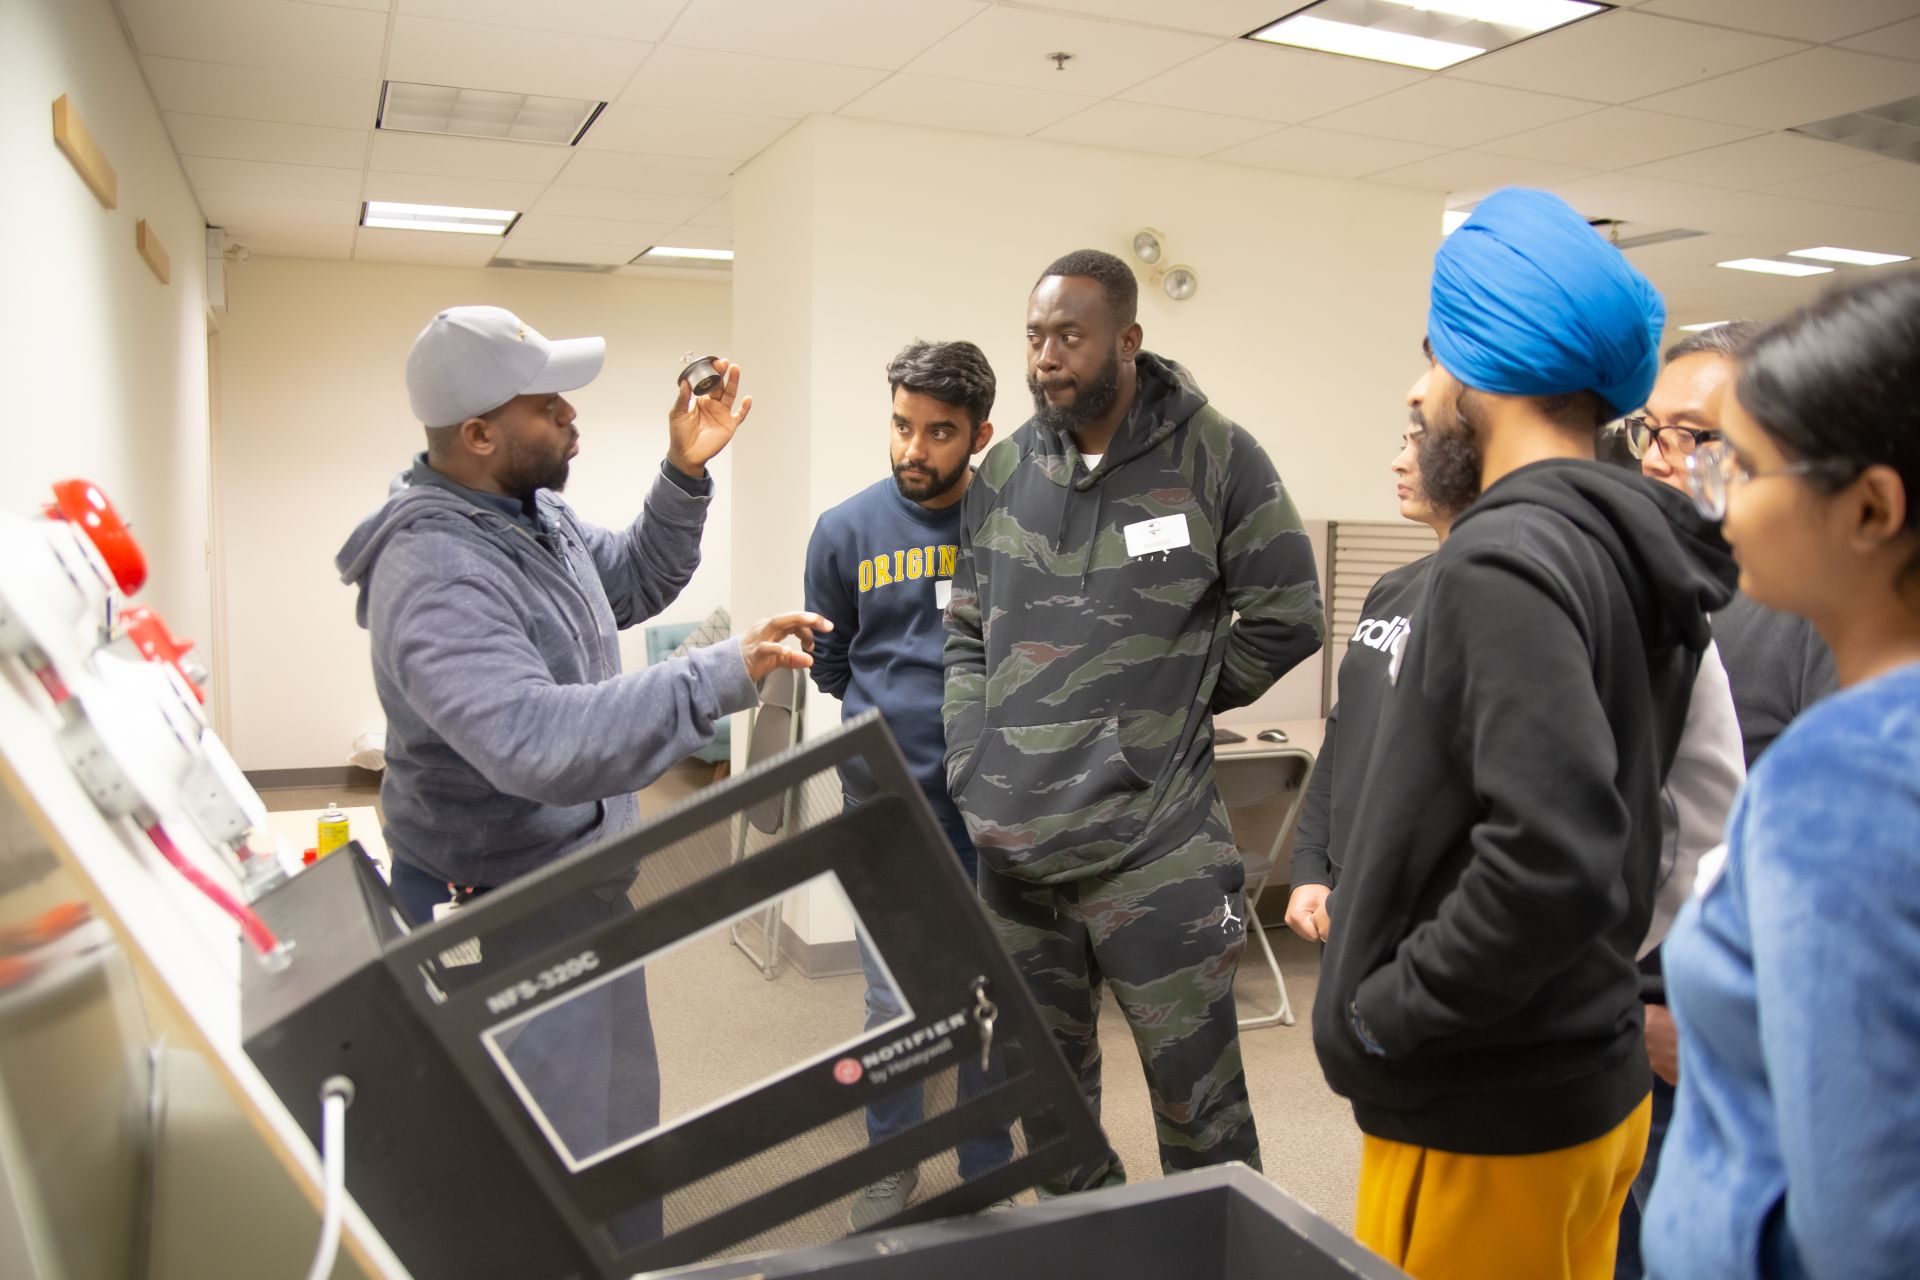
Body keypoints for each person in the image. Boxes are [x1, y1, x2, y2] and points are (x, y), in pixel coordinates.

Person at [1311, 188, 1737, 1280]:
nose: (1420, 390)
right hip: (1584, 1079)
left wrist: (1384, 1013)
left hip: (1484, 1103)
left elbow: (1553, 852)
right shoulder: (1623, 544)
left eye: (1436, 357)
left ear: (1489, 369)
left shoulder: (1501, 563)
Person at [336, 306, 825, 1236]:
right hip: (500, 904)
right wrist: (722, 671)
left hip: (581, 885)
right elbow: (536, 742)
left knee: (611, 1140)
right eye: (545, 403)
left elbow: (634, 581)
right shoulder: (434, 569)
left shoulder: (530, 514)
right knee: (537, 1174)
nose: (570, 414)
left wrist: (685, 471)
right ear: (479, 434)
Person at [944, 248, 1324, 1194]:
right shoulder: (1001, 471)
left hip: (1154, 848)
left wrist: (1174, 703)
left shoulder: (1218, 455)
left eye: (1069, 336)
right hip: (1016, 849)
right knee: (1050, 1110)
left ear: (1127, 340)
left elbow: (1290, 616)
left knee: (1201, 1112)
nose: (1045, 358)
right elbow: (966, 633)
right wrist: (971, 757)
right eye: (1035, 336)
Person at [1645, 270, 1920, 1279]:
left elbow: (1869, 1210)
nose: (1718, 499)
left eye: (1745, 468)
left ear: (1869, 507)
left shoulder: (1848, 773)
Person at [1613, 323, 1838, 1280]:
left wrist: (1696, 1018)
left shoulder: (1808, 614)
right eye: (1651, 432)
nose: (1664, 463)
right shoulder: (1632, 590)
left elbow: (1830, 870)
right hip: (1609, 1017)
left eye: (1695, 438)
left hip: (1720, 1044)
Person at [803, 339, 1012, 1226]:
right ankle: (892, 1158)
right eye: (901, 426)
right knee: (894, 991)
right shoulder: (844, 531)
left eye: (938, 432)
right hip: (886, 798)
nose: (913, 450)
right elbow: (832, 659)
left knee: (993, 985)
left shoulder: (1012, 532)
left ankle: (983, 1158)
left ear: (980, 435)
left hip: (995, 804)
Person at [1285, 415, 1462, 944]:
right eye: (1401, 442)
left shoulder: (1489, 600)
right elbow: (1345, 730)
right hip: (1344, 890)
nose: (1399, 460)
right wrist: (1311, 865)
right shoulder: (1393, 587)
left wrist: (1362, 892)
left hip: (1416, 908)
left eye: (1419, 443)